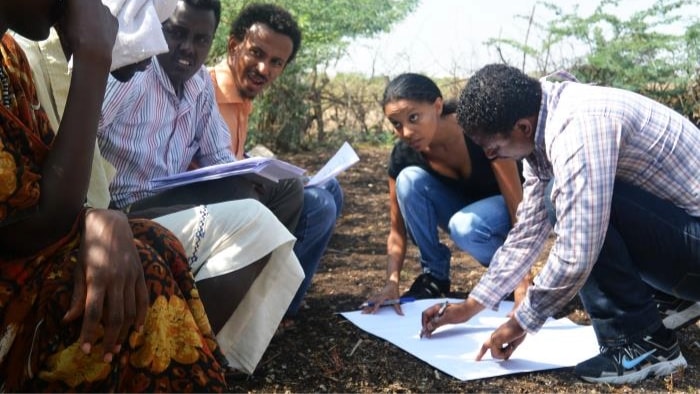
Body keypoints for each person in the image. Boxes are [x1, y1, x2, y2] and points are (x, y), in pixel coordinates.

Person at [16, 0, 305, 376]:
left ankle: (235, 326)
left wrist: (254, 171)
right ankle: (205, 348)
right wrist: (93, 215)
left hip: (173, 193)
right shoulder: (132, 73)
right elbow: (79, 137)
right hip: (124, 205)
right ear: (156, 28)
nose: (188, 48)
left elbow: (219, 157)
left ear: (213, 42)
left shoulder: (199, 85)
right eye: (177, 33)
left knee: (287, 190)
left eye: (201, 39)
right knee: (252, 205)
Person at [420, 63, 700, 385]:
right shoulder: (545, 120)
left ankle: (640, 344)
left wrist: (522, 321)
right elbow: (526, 232)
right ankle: (674, 297)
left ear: (522, 127)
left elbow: (576, 250)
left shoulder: (579, 129)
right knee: (561, 198)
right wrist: (471, 306)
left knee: (568, 202)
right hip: (685, 236)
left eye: (494, 149)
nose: (493, 159)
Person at [0, 0, 229, 391]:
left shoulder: (9, 60)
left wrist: (97, 217)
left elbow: (41, 188)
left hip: (47, 240)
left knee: (155, 245)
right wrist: (93, 59)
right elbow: (30, 229)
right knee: (118, 280)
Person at [209, 2, 343, 322]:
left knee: (331, 188)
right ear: (233, 45)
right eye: (256, 53)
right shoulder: (206, 88)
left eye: (276, 62)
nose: (264, 69)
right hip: (214, 209)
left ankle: (282, 302)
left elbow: (232, 157)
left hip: (240, 193)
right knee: (320, 204)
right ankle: (266, 310)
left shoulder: (242, 97)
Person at [362, 73, 525, 313]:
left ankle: (506, 278)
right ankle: (435, 277)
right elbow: (396, 231)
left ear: (437, 106)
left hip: (511, 211)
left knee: (465, 226)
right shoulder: (403, 155)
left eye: (414, 117)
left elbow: (517, 207)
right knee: (408, 180)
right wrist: (391, 282)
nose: (406, 131)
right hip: (466, 215)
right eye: (396, 124)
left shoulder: (478, 130)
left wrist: (521, 279)